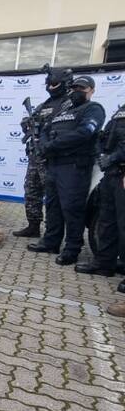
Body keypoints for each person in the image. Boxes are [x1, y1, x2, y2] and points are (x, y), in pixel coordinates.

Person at [28, 75, 106, 266]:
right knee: (53, 206)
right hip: (54, 164)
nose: (77, 91)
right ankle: (51, 242)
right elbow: (45, 130)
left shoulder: (93, 109)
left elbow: (84, 133)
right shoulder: (63, 111)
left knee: (72, 209)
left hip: (74, 166)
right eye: (75, 88)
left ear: (91, 91)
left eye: (82, 88)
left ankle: (72, 249)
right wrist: (44, 145)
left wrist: (53, 145)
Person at [13, 70, 72, 237]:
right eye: (49, 84)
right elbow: (32, 121)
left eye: (54, 84)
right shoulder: (45, 104)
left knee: (53, 195)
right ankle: (33, 225)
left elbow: (64, 127)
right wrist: (27, 123)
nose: (51, 87)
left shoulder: (68, 104)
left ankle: (53, 232)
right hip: (36, 155)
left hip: (52, 157)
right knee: (31, 190)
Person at [75, 104, 125, 286]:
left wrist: (113, 157)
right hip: (111, 174)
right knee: (106, 221)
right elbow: (107, 137)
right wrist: (102, 152)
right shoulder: (121, 111)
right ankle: (104, 263)